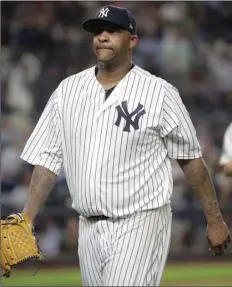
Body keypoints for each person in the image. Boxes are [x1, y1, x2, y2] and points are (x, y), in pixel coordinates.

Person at [18, 5, 230, 286]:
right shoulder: (67, 91)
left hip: (141, 222)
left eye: (113, 31)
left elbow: (190, 159)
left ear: (132, 41)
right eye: (97, 31)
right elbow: (47, 159)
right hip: (88, 227)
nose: (102, 37)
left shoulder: (159, 93)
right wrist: (27, 217)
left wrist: (214, 220)